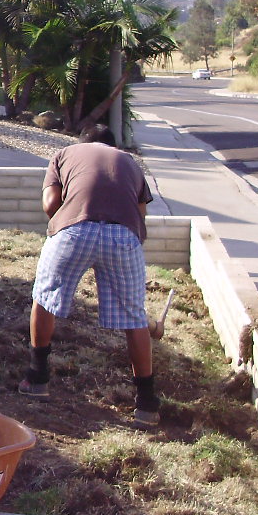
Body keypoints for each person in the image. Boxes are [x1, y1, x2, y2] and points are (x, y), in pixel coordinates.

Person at [23, 124, 165, 425]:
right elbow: (140, 217)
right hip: (123, 236)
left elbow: (50, 205)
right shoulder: (131, 164)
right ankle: (147, 404)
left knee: (45, 298)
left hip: (73, 231)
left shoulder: (64, 154)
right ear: (114, 146)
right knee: (135, 317)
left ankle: (37, 379)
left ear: (82, 142)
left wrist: (69, 226)